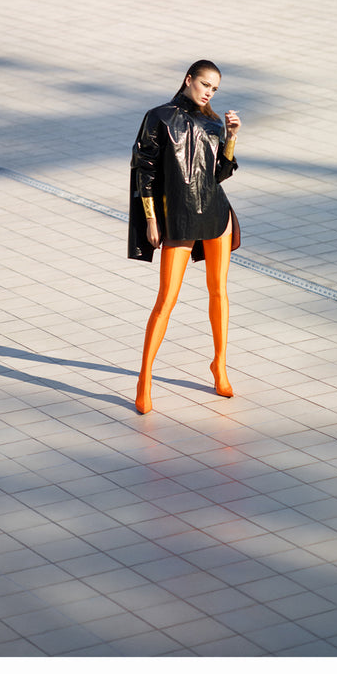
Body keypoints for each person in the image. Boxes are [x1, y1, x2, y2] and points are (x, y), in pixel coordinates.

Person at [128, 61, 241, 414]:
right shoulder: (158, 117)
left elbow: (219, 174)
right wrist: (151, 220)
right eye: (205, 84)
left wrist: (231, 137)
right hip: (179, 215)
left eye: (215, 88)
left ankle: (219, 364)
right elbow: (143, 169)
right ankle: (144, 377)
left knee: (219, 291)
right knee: (166, 298)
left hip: (216, 212)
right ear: (188, 79)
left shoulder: (212, 121)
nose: (209, 91)